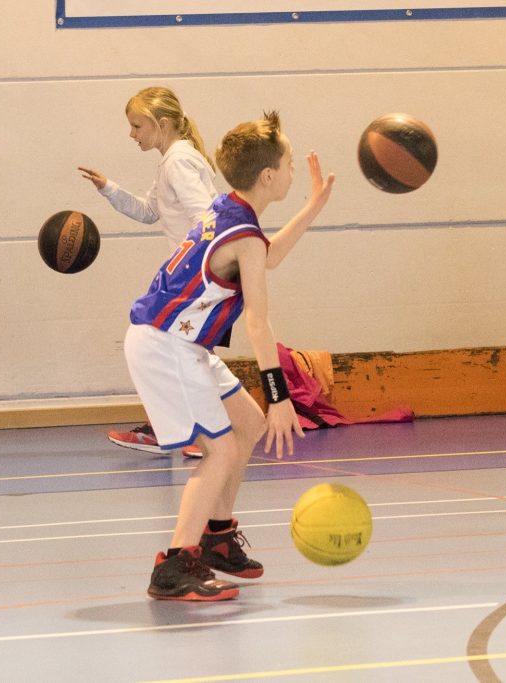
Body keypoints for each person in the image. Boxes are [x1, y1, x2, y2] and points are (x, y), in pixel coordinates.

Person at [126, 111, 335, 600]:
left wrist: (312, 206)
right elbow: (258, 324)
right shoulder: (243, 234)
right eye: (287, 161)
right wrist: (280, 396)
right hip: (165, 344)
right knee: (218, 451)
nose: (291, 168)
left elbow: (267, 255)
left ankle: (217, 537)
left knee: (247, 424)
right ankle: (174, 566)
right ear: (268, 176)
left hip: (180, 341)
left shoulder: (230, 210)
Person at [79, 86, 218, 457]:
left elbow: (206, 220)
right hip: (196, 275)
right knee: (181, 354)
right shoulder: (172, 160)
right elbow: (148, 212)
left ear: (163, 124)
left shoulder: (179, 161)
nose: (132, 134)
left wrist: (181, 268)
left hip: (196, 277)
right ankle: (188, 433)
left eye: (137, 125)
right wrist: (108, 188)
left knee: (158, 346)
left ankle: (186, 434)